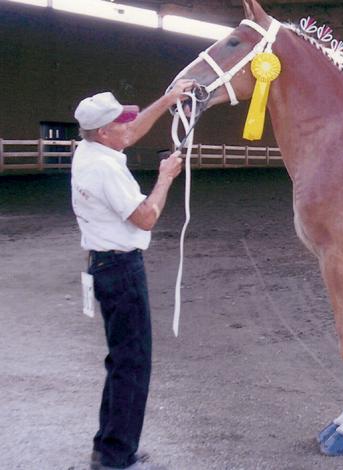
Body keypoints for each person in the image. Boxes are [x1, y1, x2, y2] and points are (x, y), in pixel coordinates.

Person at [71, 80, 194, 470]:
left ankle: (108, 445)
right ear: (106, 131)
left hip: (105, 266)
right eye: (121, 122)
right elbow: (145, 218)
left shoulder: (91, 149)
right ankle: (115, 455)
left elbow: (134, 127)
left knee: (121, 360)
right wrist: (166, 178)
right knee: (133, 364)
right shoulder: (106, 168)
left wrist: (168, 99)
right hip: (121, 269)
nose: (130, 125)